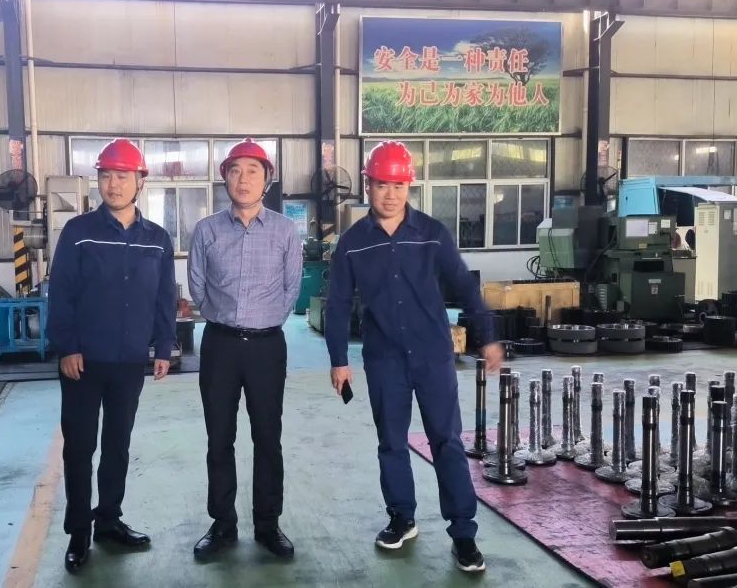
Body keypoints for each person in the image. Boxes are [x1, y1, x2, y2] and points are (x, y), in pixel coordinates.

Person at [324, 140, 503, 573]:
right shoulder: (352, 243)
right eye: (382, 185)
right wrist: (338, 359)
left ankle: (463, 533)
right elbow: (338, 303)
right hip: (384, 358)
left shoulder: (432, 234)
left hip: (433, 356)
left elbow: (464, 285)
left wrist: (487, 336)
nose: (390, 195)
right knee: (391, 442)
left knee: (447, 442)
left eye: (399, 186)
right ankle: (401, 517)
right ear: (368, 185)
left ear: (410, 187)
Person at [46, 138, 177, 575]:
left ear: (140, 182)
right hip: (82, 362)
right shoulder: (78, 232)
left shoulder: (157, 239)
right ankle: (78, 532)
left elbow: (164, 297)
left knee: (117, 445)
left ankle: (108, 521)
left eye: (123, 176)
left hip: (129, 361)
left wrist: (163, 346)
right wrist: (67, 346)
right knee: (80, 448)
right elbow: (61, 293)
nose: (113, 184)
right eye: (106, 176)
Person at [187, 138, 302, 561]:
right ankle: (223, 524)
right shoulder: (207, 230)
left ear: (267, 180)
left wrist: (263, 318)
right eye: (235, 170)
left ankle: (268, 525)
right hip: (219, 345)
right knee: (219, 438)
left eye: (253, 170)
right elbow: (198, 288)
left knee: (268, 438)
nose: (243, 179)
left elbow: (291, 290)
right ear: (225, 179)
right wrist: (222, 317)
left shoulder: (285, 231)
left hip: (267, 348)